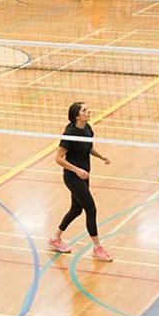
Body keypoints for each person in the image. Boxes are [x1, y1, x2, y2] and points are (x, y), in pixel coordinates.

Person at [48, 101, 113, 262]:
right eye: (85, 110)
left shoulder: (88, 128)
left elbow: (88, 147)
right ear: (77, 115)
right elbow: (58, 159)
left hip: (84, 175)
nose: (88, 111)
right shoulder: (69, 133)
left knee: (76, 210)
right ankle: (97, 248)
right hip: (72, 176)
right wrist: (77, 170)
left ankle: (55, 239)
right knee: (91, 209)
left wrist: (100, 156)